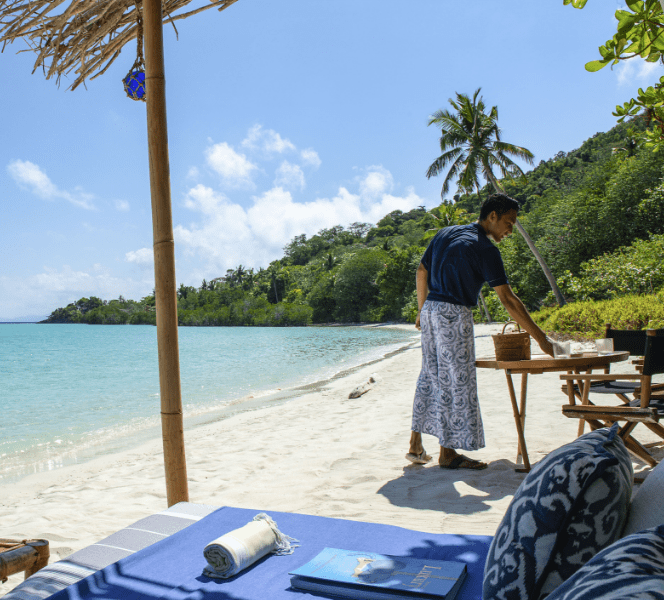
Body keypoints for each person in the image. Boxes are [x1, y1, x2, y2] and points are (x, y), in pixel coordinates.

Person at [406, 193, 554, 470]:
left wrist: (421, 309)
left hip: (431, 312)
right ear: (493, 216)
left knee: (430, 375)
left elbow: (421, 271)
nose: (510, 230)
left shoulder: (445, 233)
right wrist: (542, 339)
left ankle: (415, 445)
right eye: (509, 222)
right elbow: (508, 299)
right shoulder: (485, 249)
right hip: (453, 315)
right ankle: (447, 455)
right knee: (456, 382)